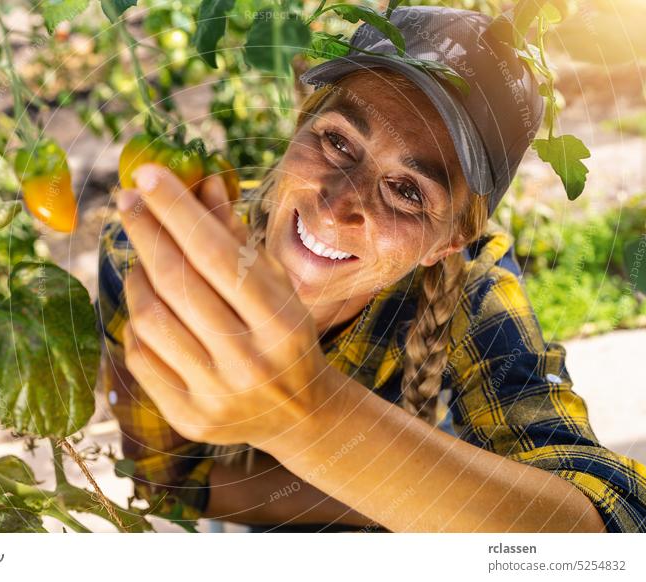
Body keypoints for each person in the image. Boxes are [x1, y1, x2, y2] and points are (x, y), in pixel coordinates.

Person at [96, 6, 646, 532]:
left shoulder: (473, 286)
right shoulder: (153, 259)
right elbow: (165, 486)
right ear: (299, 129)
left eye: (408, 191)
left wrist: (308, 417)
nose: (338, 204)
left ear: (451, 240)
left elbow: (611, 530)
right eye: (337, 141)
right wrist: (399, 501)